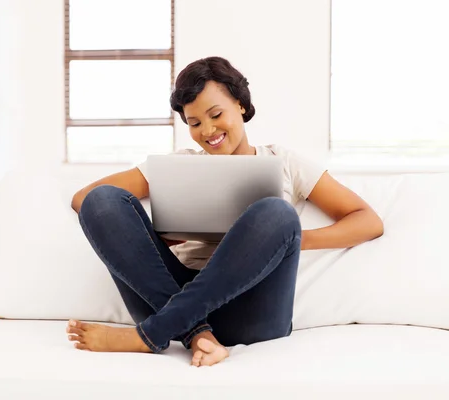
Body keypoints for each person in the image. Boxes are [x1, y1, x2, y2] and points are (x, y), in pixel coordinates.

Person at [66, 56, 384, 367]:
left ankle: (149, 336)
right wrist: (158, 240)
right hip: (168, 297)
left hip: (251, 309)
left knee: (277, 213)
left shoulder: (284, 161)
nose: (208, 130)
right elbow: (84, 198)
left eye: (216, 114)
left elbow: (368, 221)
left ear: (241, 105)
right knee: (102, 199)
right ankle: (197, 335)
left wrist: (291, 240)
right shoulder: (178, 164)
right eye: (195, 122)